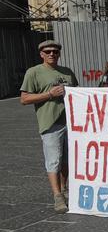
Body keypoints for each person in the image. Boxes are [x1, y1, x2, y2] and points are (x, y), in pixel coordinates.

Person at [20, 41, 79, 213]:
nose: (52, 54)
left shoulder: (67, 72)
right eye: (48, 52)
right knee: (54, 161)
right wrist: (49, 94)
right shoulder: (34, 72)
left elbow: (79, 93)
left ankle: (65, 188)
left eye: (55, 51)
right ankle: (57, 196)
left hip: (71, 123)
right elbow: (24, 99)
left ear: (59, 53)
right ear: (41, 54)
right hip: (50, 123)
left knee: (68, 160)